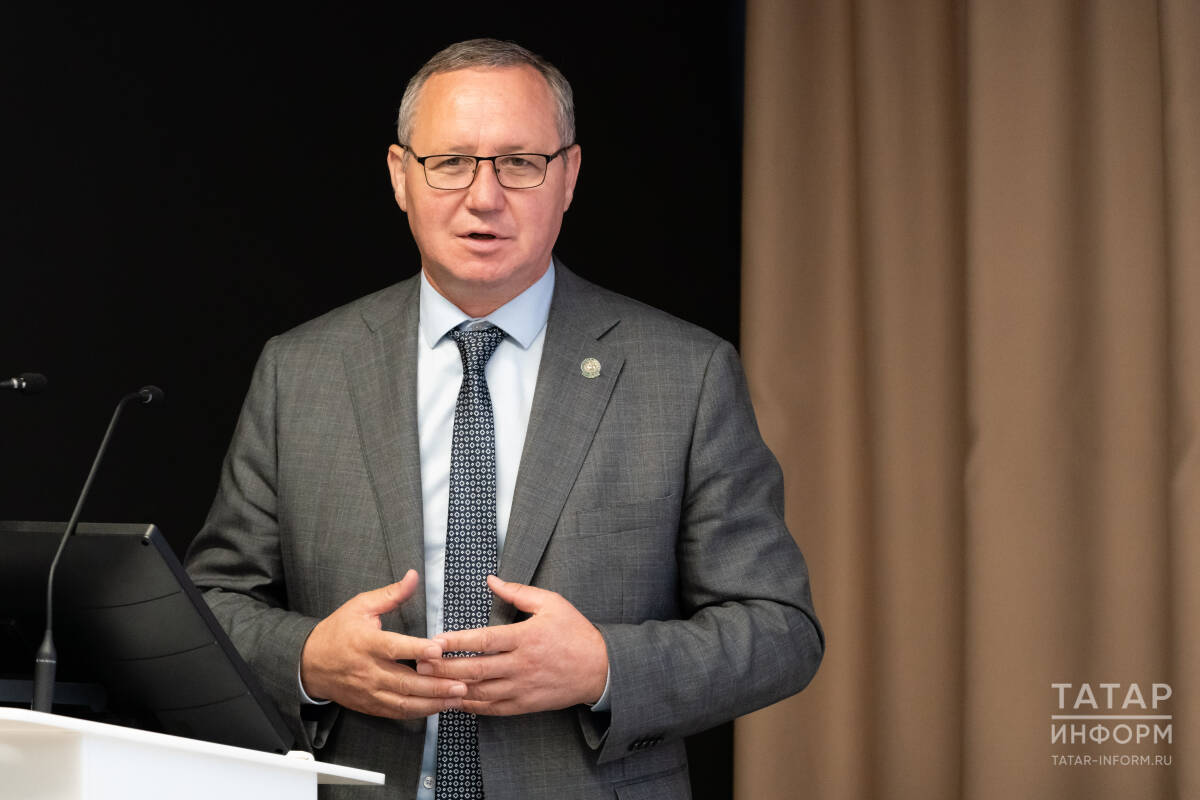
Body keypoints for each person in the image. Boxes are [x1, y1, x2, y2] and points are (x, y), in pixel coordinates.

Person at [185, 38, 823, 800]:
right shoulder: (301, 372)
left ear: (569, 177)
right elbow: (210, 606)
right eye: (451, 162)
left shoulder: (685, 375)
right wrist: (309, 660)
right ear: (400, 176)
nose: (484, 197)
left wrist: (603, 667)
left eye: (520, 163)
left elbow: (781, 630)